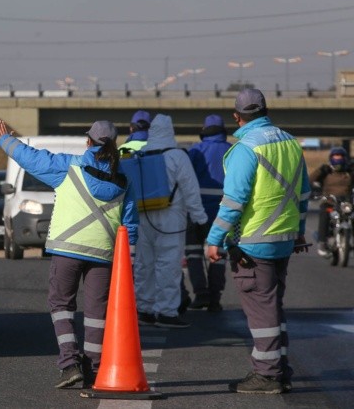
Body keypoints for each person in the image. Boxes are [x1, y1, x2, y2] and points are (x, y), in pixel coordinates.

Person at [0, 119, 138, 389]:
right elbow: (130, 225)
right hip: (105, 254)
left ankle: (70, 364)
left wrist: (6, 141)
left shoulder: (68, 167)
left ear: (88, 142)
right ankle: (95, 368)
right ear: (115, 144)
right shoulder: (125, 178)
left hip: (68, 249)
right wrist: (128, 261)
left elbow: (33, 159)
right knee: (97, 313)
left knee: (61, 306)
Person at [207, 88, 311, 394]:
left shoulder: (245, 148)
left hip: (253, 243)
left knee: (261, 309)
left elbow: (234, 201)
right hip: (284, 239)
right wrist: (300, 228)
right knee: (274, 307)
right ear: (266, 111)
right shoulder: (290, 143)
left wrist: (215, 239)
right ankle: (281, 370)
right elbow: (304, 192)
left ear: (237, 117)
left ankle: (267, 374)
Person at [133, 114, 207, 329]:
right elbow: (190, 190)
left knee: (144, 264)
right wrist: (200, 219)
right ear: (170, 131)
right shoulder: (177, 156)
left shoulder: (141, 154)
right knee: (169, 264)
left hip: (143, 215)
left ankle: (144, 309)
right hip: (171, 219)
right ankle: (166, 312)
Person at [184, 114, 232, 313]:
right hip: (224, 212)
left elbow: (185, 179)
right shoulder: (232, 151)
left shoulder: (196, 150)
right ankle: (215, 298)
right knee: (218, 254)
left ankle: (201, 293)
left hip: (197, 211)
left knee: (194, 252)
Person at [309, 147, 353, 256]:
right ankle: (322, 242)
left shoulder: (349, 172)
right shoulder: (326, 171)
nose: (337, 159)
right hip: (329, 201)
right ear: (331, 158)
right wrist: (320, 171)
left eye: (340, 156)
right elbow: (310, 180)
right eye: (335, 156)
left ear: (344, 158)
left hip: (346, 202)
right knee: (324, 213)